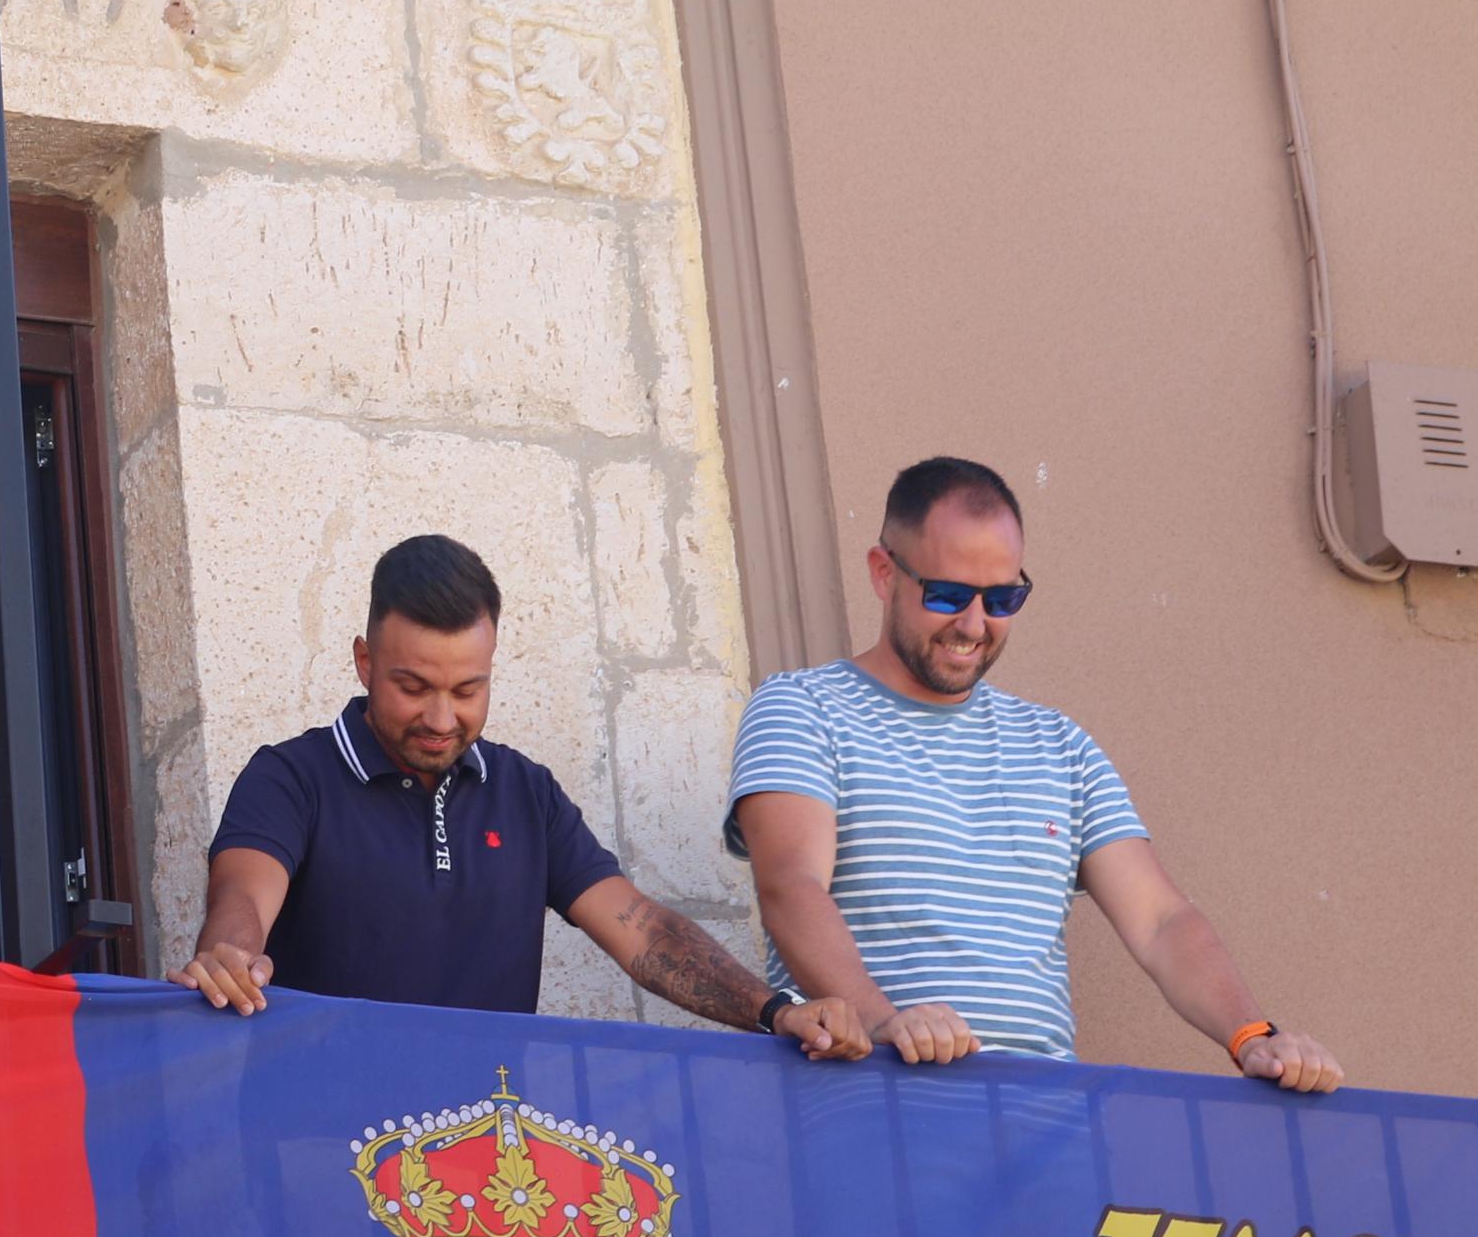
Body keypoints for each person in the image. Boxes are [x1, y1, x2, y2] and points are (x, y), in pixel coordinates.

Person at [727, 457, 1340, 1091]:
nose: (973, 625)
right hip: (867, 1101)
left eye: (1002, 599)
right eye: (946, 595)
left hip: (1045, 1126)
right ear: (884, 574)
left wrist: (1253, 1038)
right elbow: (791, 887)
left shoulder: (1060, 745)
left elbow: (1161, 921)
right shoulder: (802, 707)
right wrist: (885, 1024)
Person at [172, 534, 859, 1045]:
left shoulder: (525, 792)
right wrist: (230, 954)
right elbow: (240, 898)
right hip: (316, 1144)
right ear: (363, 660)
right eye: (412, 687)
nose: (441, 718)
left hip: (484, 1161)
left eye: (467, 689)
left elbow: (643, 932)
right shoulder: (289, 776)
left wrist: (776, 1011)